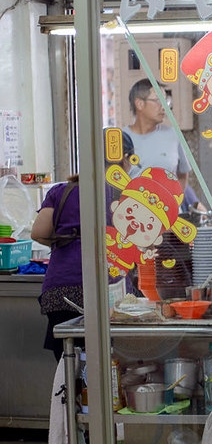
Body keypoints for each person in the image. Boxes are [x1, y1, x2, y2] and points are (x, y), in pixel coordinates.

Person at [31, 130, 135, 360]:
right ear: (124, 158)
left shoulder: (62, 191)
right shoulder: (126, 195)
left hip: (61, 290)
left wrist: (68, 240)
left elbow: (39, 232)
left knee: (69, 365)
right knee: (109, 367)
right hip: (108, 291)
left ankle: (71, 394)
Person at [124, 78, 206, 216]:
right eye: (158, 100)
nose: (164, 106)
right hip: (133, 217)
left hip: (168, 218)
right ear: (139, 104)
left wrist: (174, 204)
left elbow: (182, 174)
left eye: (166, 100)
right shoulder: (121, 138)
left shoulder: (173, 135)